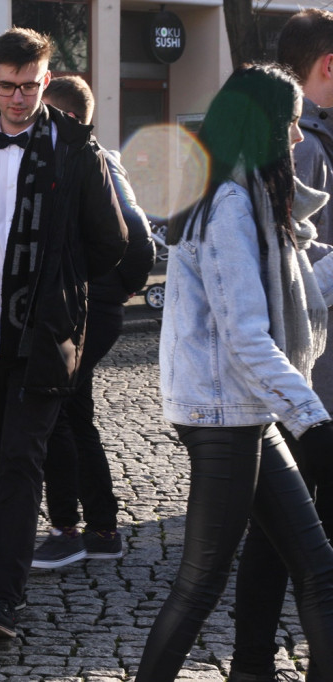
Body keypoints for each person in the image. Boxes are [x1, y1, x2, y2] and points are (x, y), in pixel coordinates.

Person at [135, 63, 333, 682]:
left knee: (318, 568)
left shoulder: (245, 192)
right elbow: (245, 333)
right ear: (267, 128)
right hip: (221, 412)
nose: (299, 139)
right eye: (293, 126)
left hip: (243, 409)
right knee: (200, 583)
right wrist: (314, 422)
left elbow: (299, 285)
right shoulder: (226, 203)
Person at [0, 27, 126, 638]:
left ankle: (1, 601)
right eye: (9, 87)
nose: (19, 98)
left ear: (46, 79)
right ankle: (3, 550)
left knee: (22, 459)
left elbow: (111, 243)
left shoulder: (75, 146)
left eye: (31, 86)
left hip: (43, 334)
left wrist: (61, 281)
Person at [230, 15, 333, 681]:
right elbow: (287, 277)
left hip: (308, 379)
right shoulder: (301, 148)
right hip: (306, 382)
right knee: (283, 541)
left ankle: (252, 663)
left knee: (278, 538)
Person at [31, 75, 156, 568]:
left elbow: (140, 237)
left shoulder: (95, 161)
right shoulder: (78, 158)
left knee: (59, 412)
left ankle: (70, 529)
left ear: (61, 117)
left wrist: (114, 289)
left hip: (89, 308)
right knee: (73, 413)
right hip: (84, 304)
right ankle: (101, 529)